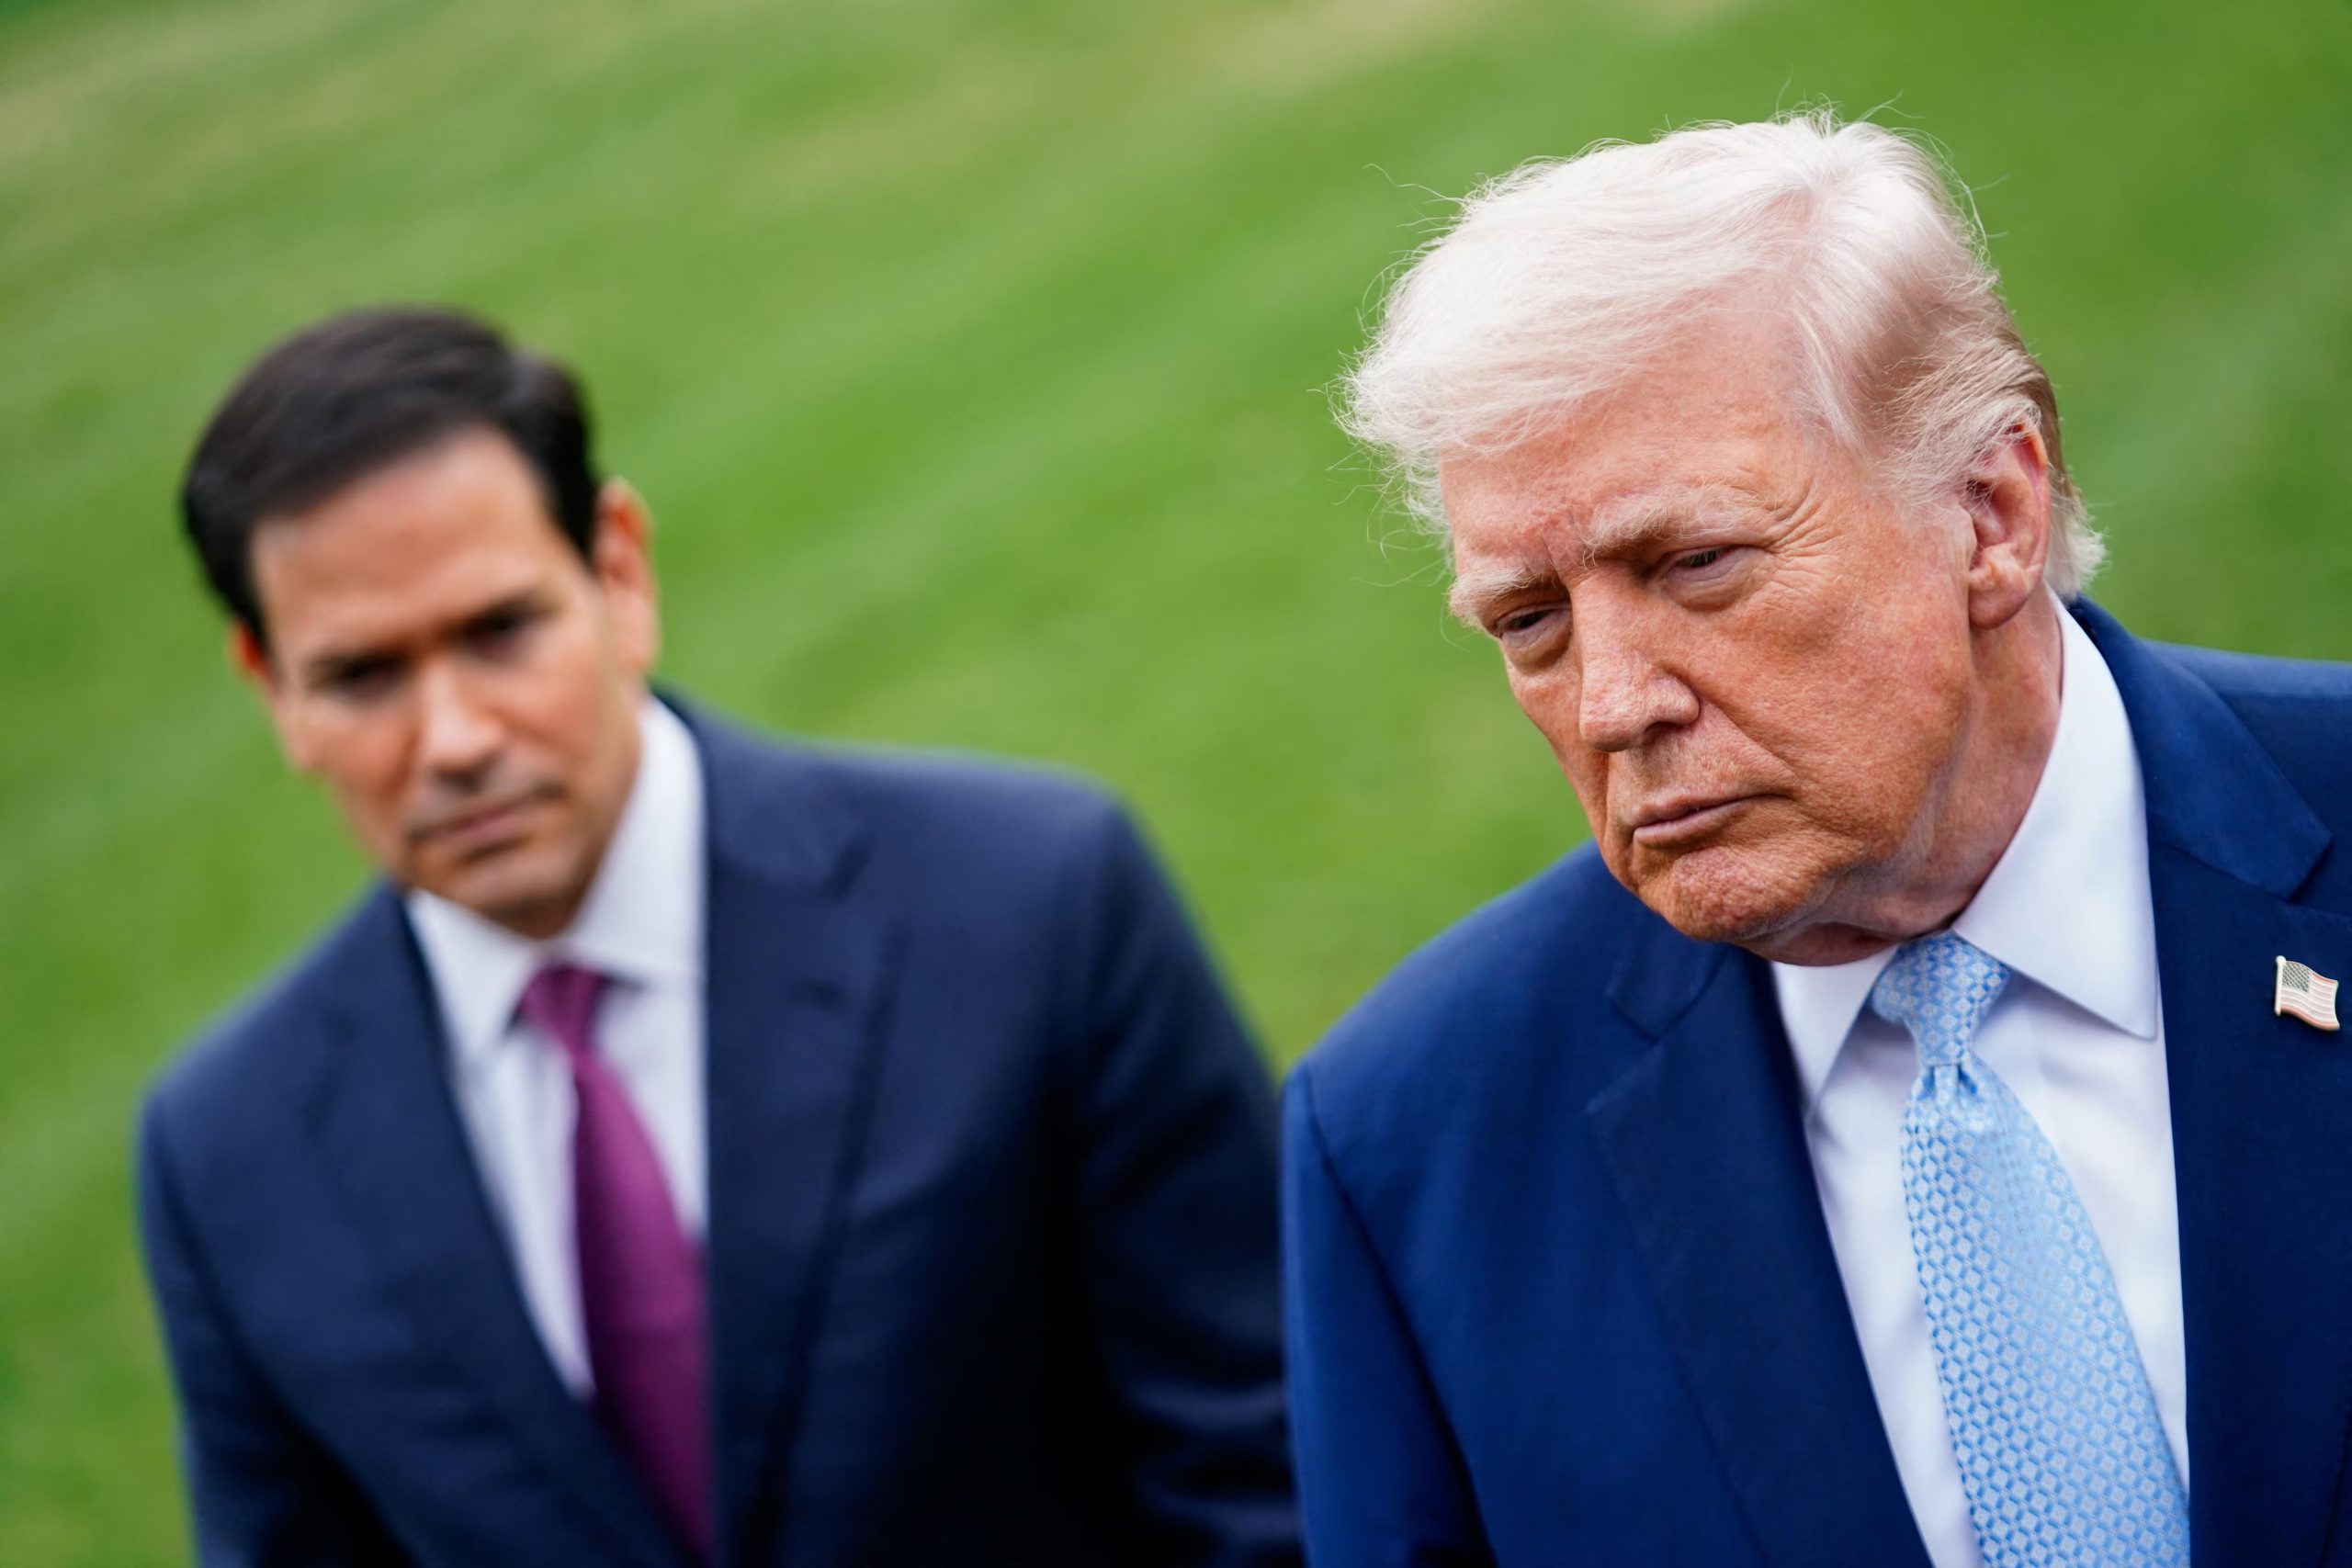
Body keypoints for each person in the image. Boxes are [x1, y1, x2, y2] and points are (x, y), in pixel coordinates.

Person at [1283, 112, 2352, 1568]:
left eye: (1697, 564)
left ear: (1992, 511)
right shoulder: (1414, 1141)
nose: (1611, 704)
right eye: (1531, 622)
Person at [137, 307, 1298, 1568]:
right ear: (271, 690)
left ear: (620, 572)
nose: (457, 739)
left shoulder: (1033, 908)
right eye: (363, 676)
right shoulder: (227, 1155)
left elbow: (1269, 1484)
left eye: (500, 631)